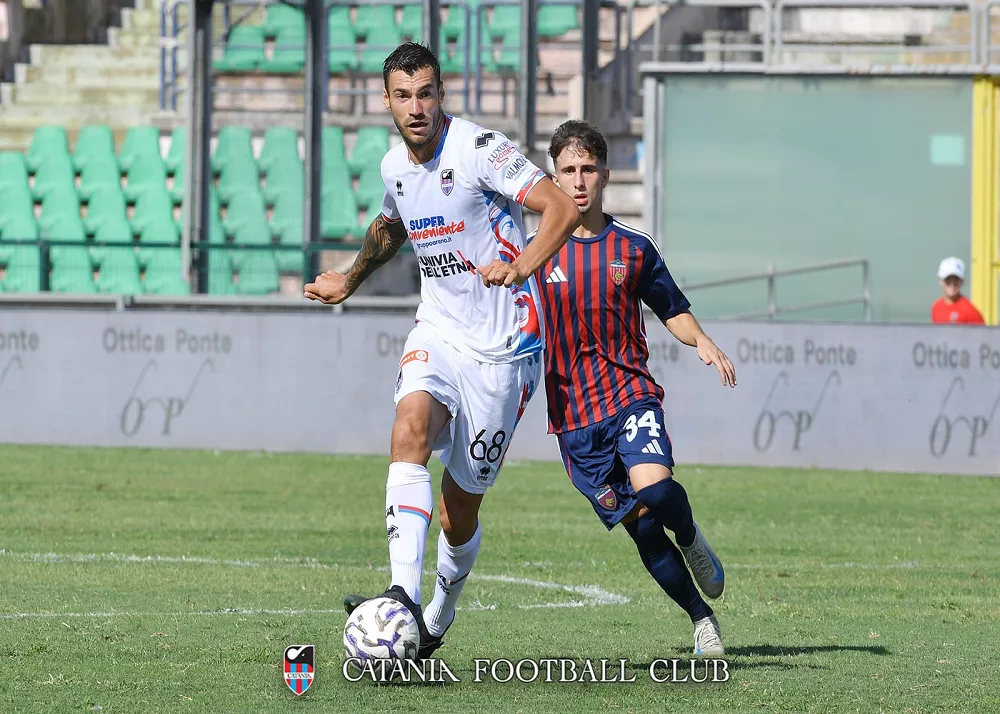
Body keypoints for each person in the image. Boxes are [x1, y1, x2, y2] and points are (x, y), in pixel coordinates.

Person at [304, 42, 581, 658]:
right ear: (387, 102)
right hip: (439, 328)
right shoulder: (392, 168)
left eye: (425, 93)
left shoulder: (480, 150)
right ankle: (402, 594)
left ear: (441, 94)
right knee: (408, 430)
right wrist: (348, 280)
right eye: (403, 96)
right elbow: (392, 226)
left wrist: (523, 264)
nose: (416, 107)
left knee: (459, 512)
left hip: (505, 351)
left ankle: (436, 615)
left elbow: (558, 206)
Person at [535, 120, 736, 656]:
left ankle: (691, 538)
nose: (578, 181)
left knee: (655, 491)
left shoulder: (634, 246)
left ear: (606, 174)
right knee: (644, 530)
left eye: (587, 169)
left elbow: (672, 308)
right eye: (567, 171)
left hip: (629, 394)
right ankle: (702, 620)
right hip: (574, 418)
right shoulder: (535, 253)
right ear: (554, 178)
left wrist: (703, 342)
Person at [931, 257, 985, 324]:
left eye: (956, 279)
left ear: (962, 282)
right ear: (941, 282)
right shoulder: (936, 307)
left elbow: (984, 333)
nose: (952, 284)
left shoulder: (970, 310)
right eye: (948, 279)